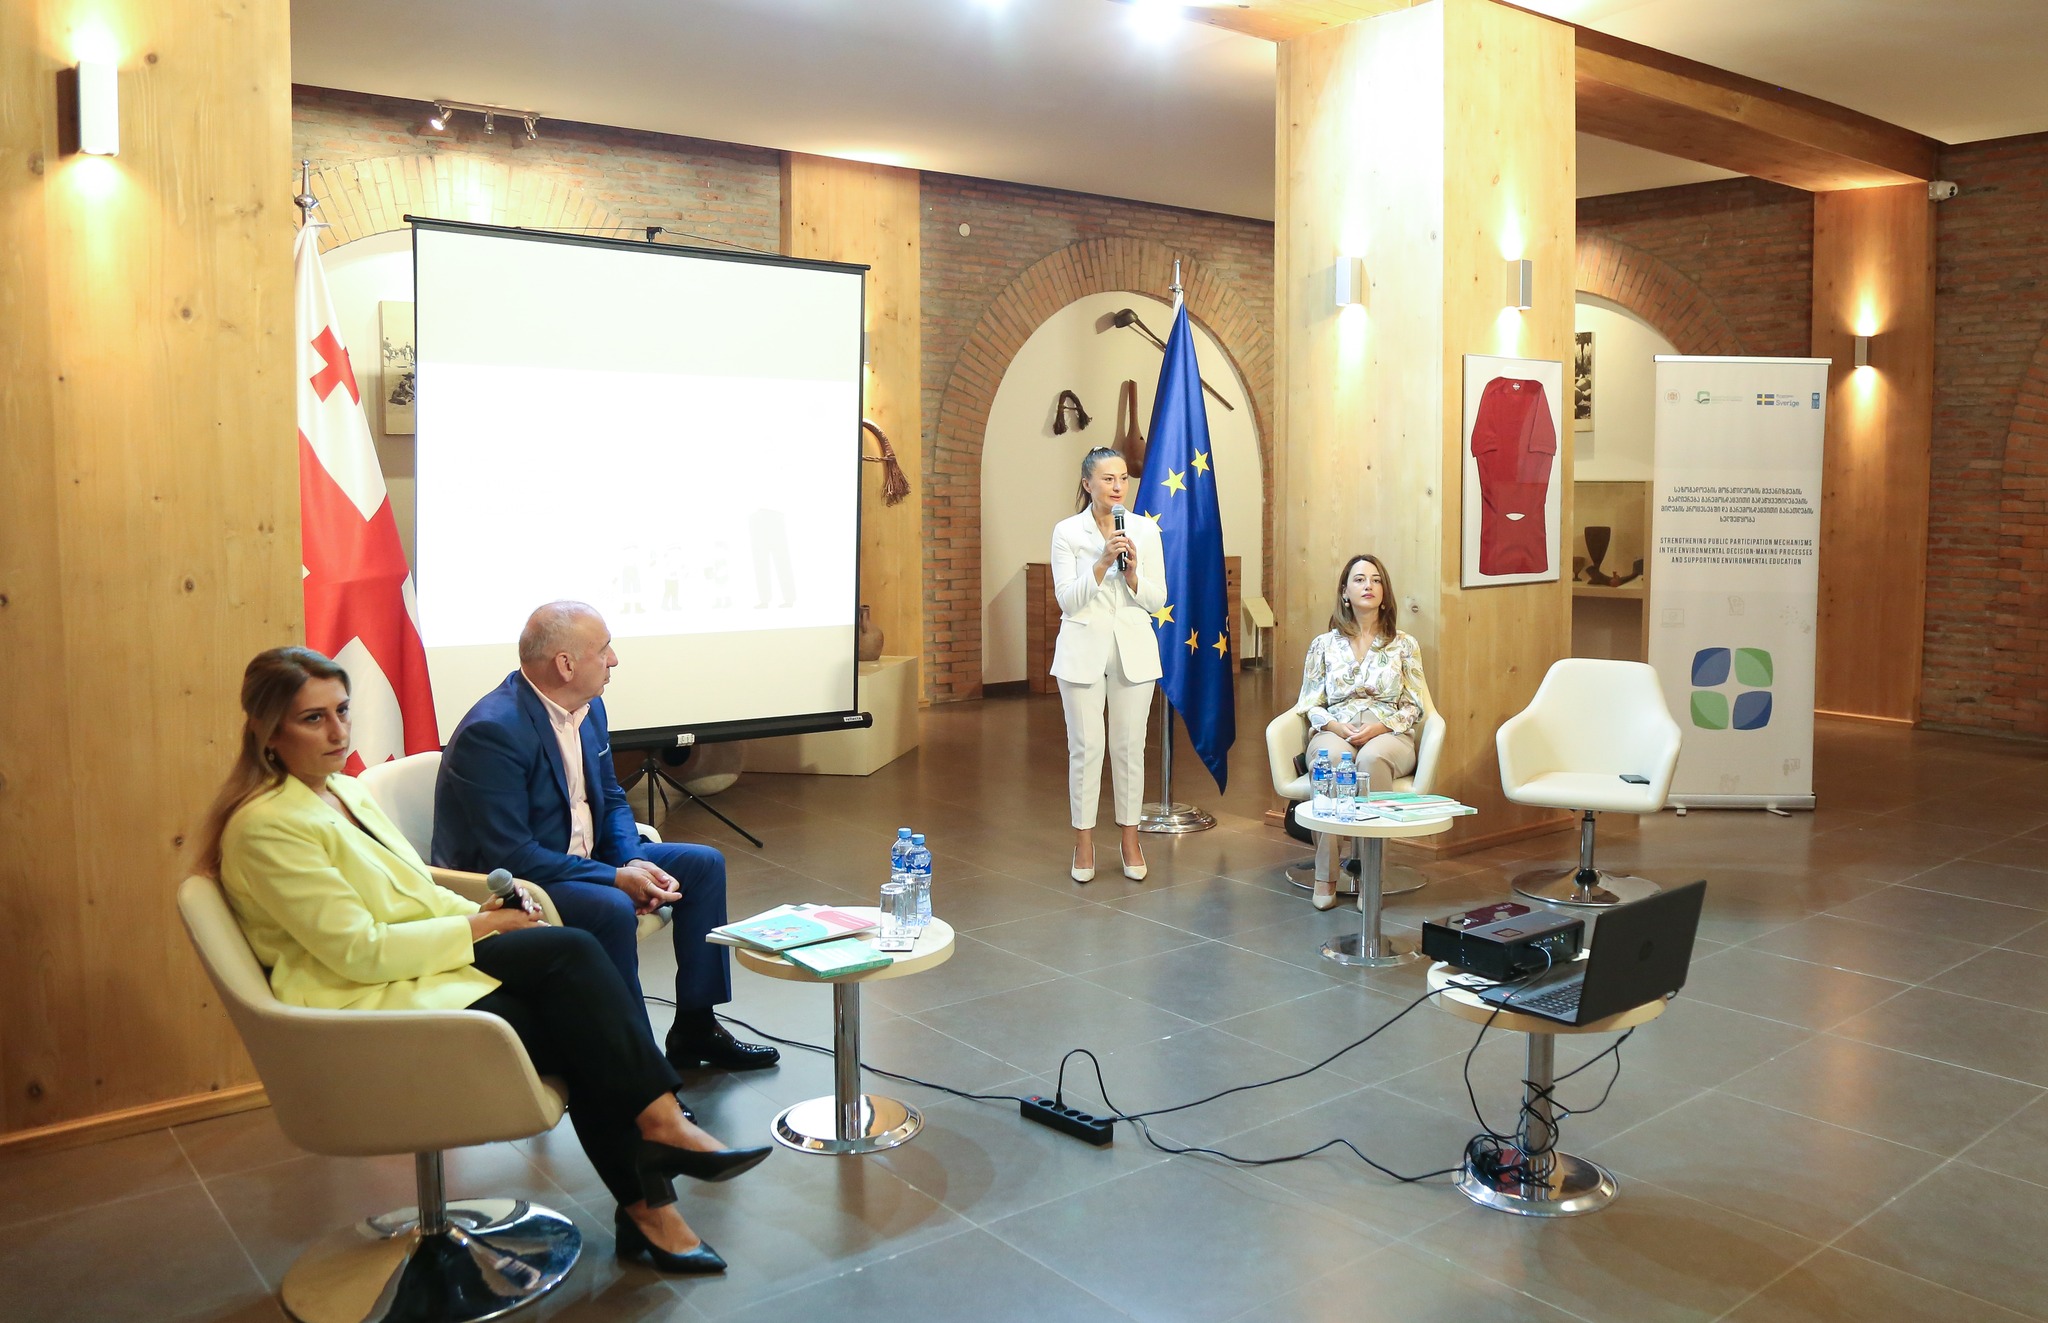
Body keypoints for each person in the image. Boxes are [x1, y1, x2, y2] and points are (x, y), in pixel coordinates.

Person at [197, 647, 766, 1274]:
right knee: (581, 1015)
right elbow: (357, 953)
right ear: (268, 731)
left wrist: (485, 905)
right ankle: (656, 1175)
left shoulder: (340, 791)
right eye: (314, 719)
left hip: (415, 967)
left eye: (343, 711)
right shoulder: (267, 826)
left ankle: (657, 1173)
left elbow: (415, 889)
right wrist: (481, 925)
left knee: (572, 965)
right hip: (360, 1002)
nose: (338, 732)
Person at [432, 602, 778, 1074]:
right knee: (611, 907)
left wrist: (632, 861)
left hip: (583, 857)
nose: (613, 659)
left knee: (703, 865)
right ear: (565, 664)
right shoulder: (493, 731)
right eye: (604, 649)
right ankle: (636, 1070)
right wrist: (614, 878)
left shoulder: (588, 708)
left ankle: (696, 1027)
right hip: (524, 880)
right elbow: (513, 855)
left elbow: (611, 797)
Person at [1050, 446, 1166, 883]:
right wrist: (1101, 563)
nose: (1118, 487)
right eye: (1108, 479)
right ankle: (1083, 843)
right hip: (1081, 650)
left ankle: (1130, 840)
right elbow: (1068, 600)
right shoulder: (1067, 532)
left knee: (1129, 747)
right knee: (1086, 748)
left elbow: (1157, 598)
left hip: (1133, 650)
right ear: (1088, 484)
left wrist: (1133, 574)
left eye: (1123, 478)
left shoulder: (1144, 530)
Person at [1296, 554, 1428, 910]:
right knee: (1331, 760)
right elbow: (1309, 703)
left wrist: (1380, 727)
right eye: (1359, 579)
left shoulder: (1404, 644)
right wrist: (1334, 726)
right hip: (1335, 727)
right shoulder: (1323, 644)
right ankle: (1325, 875)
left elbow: (1414, 705)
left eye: (1375, 580)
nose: (1368, 585)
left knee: (1370, 759)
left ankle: (1372, 877)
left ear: (1384, 593)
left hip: (1389, 733)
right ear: (1345, 592)